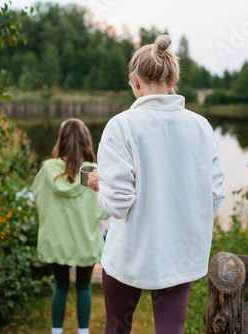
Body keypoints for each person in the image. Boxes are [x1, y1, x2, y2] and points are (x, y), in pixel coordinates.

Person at [87, 35, 225, 334]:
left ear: (135, 81)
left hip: (129, 255)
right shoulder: (201, 127)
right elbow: (213, 196)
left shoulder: (121, 126)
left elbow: (119, 203)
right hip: (179, 255)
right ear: (172, 79)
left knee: (116, 327)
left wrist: (101, 184)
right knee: (171, 329)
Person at [31, 118, 109, 334]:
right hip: (85, 239)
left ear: (61, 141)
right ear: (86, 142)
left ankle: (57, 331)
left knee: (61, 286)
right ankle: (82, 332)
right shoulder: (91, 173)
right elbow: (104, 209)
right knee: (83, 286)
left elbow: (37, 199)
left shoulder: (47, 169)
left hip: (56, 241)